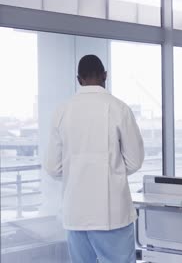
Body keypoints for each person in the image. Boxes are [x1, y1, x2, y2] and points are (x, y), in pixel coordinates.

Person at [44, 54, 144, 263]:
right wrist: (110, 171)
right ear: (105, 76)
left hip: (75, 214)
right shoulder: (120, 109)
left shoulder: (62, 111)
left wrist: (78, 170)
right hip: (112, 214)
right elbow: (134, 161)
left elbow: (53, 167)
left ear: (78, 79)